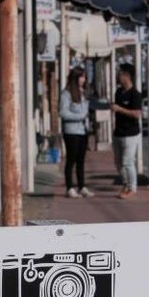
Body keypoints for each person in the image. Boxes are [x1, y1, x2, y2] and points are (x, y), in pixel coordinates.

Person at [59, 67, 92, 198]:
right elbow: (63, 112)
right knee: (71, 159)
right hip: (71, 131)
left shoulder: (84, 93)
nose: (83, 80)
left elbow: (86, 111)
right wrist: (80, 116)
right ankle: (69, 187)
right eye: (80, 77)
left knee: (81, 160)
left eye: (84, 77)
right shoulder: (66, 94)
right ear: (75, 78)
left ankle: (82, 186)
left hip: (83, 131)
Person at [112, 63, 143, 199]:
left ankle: (132, 187)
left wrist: (120, 109)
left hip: (131, 134)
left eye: (120, 73)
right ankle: (125, 184)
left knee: (128, 162)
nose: (118, 76)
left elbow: (137, 114)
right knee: (118, 162)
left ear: (127, 76)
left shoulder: (135, 94)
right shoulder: (118, 92)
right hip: (118, 132)